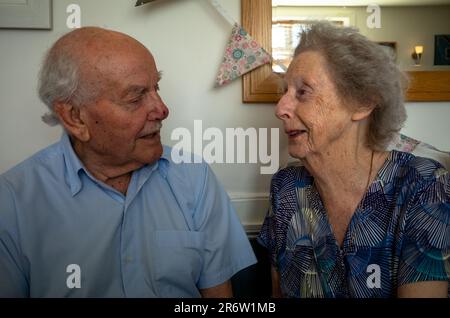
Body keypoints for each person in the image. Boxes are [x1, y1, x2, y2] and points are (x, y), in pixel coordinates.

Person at [0, 27, 256, 297]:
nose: (162, 109)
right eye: (135, 97)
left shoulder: (194, 178)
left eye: (156, 87)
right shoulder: (13, 202)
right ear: (75, 117)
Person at [258, 22, 449, 298]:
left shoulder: (424, 186)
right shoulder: (286, 188)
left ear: (362, 103)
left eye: (303, 92)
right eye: (284, 92)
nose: (280, 109)